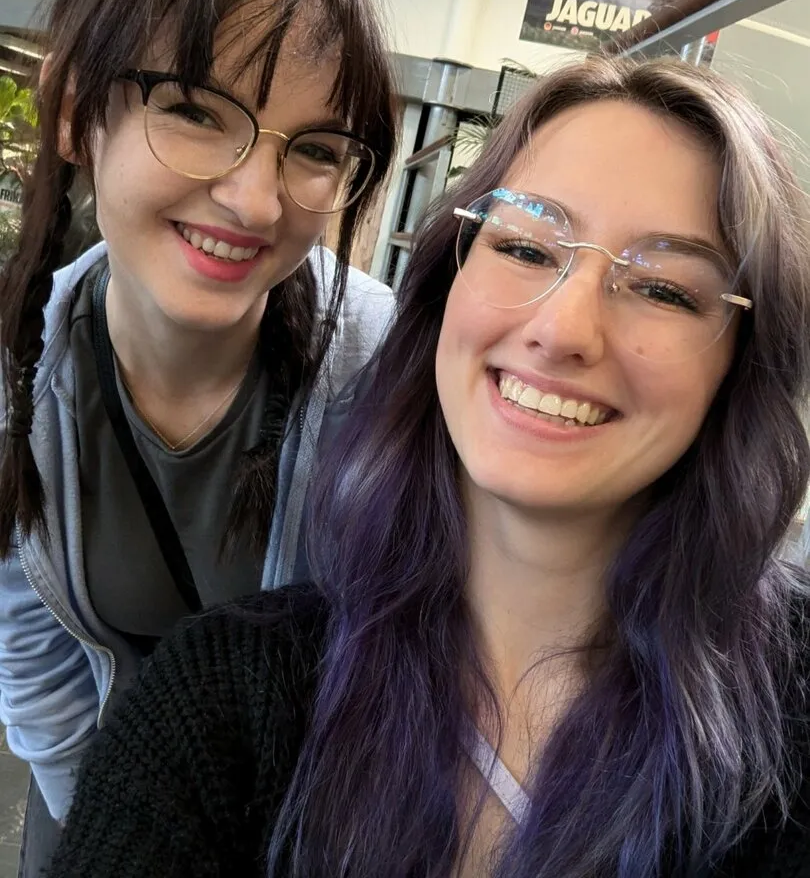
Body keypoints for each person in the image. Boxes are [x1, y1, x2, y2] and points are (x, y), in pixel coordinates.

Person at [45, 56, 810, 877]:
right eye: (525, 245)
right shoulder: (220, 703)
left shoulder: (789, 717)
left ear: (743, 366)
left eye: (664, 290)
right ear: (446, 286)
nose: (563, 329)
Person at [0, 0, 398, 871]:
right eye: (193, 110)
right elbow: (34, 651)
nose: (256, 201)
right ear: (75, 111)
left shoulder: (384, 368)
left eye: (316, 148)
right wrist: (124, 832)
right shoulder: (16, 374)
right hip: (100, 800)